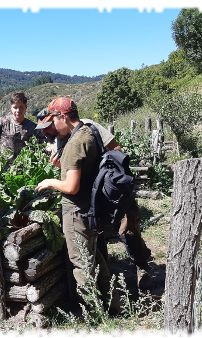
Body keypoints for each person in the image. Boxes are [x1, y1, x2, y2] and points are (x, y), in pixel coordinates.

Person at [36, 106, 153, 291]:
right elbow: (72, 171)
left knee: (127, 227)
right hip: (89, 198)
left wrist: (101, 175)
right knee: (95, 236)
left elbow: (116, 151)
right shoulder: (60, 139)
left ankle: (141, 265)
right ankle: (106, 287)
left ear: (60, 119)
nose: (46, 132)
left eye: (48, 126)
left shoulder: (89, 126)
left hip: (110, 190)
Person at [35, 97, 116, 310]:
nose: (53, 126)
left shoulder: (74, 143)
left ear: (63, 117)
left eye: (54, 120)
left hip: (76, 211)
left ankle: (90, 313)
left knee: (81, 263)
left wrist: (51, 181)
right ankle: (114, 303)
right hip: (90, 206)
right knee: (95, 258)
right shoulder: (89, 133)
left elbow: (71, 187)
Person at [0, 92, 41, 163]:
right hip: (3, 166)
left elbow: (45, 140)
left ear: (26, 107)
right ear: (11, 108)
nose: (18, 110)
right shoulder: (3, 121)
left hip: (25, 168)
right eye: (15, 107)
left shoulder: (32, 126)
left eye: (21, 107)